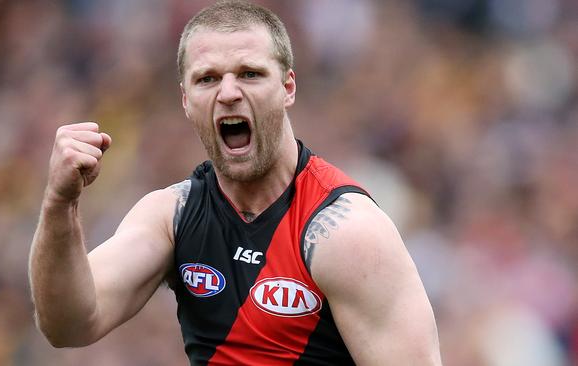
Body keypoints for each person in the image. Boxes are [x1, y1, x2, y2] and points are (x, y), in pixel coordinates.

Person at [28, 1, 442, 364]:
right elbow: (68, 325)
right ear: (186, 100)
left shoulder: (346, 233)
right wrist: (59, 204)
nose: (228, 92)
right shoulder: (172, 216)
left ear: (287, 88)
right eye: (207, 78)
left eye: (249, 74)